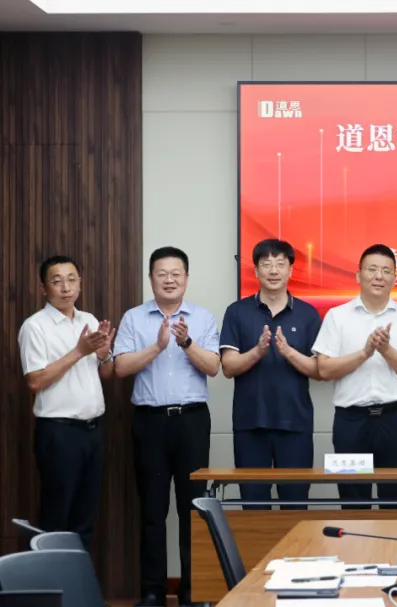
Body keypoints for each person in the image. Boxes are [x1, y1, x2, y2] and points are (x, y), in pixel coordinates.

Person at [114, 246, 220, 607]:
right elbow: (120, 368)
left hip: (192, 421)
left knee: (193, 509)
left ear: (186, 279)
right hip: (150, 423)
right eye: (162, 273)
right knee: (152, 509)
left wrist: (185, 342)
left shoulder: (203, 318)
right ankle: (153, 591)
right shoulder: (133, 318)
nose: (169, 279)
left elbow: (213, 367)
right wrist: (158, 347)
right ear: (151, 278)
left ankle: (192, 590)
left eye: (176, 273)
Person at [313, 244, 397, 509]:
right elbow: (324, 369)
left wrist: (386, 350)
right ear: (358, 275)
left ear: (395, 278)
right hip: (350, 421)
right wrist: (365, 353)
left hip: (395, 419)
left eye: (386, 271)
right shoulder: (337, 316)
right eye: (372, 269)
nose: (379, 276)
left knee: (396, 499)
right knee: (352, 501)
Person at [17, 255, 115, 551]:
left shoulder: (89, 321)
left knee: (85, 517)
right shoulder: (35, 327)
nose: (66, 287)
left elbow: (105, 374)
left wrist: (104, 355)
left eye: (72, 280)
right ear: (43, 287)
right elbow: (35, 381)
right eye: (57, 281)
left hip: (93, 431)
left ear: (80, 283)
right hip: (59, 433)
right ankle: (52, 581)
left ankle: (77, 581)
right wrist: (79, 351)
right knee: (56, 517)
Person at [220, 239, 321, 510]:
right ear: (256, 270)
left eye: (280, 264)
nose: (273, 271)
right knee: (254, 509)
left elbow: (319, 370)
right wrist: (258, 352)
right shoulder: (237, 312)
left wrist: (288, 353)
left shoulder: (308, 314)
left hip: (295, 424)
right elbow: (228, 367)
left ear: (291, 270)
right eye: (266, 264)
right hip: (250, 424)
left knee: (295, 508)